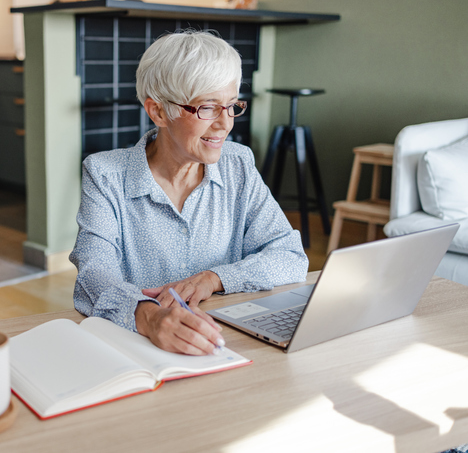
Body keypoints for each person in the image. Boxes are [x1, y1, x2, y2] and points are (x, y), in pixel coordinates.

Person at [69, 30, 308, 356]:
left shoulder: (238, 163)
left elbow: (290, 257)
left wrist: (214, 278)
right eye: (208, 108)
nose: (225, 124)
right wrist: (150, 317)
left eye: (232, 105)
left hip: (221, 342)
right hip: (139, 348)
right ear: (158, 112)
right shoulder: (105, 174)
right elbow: (94, 272)